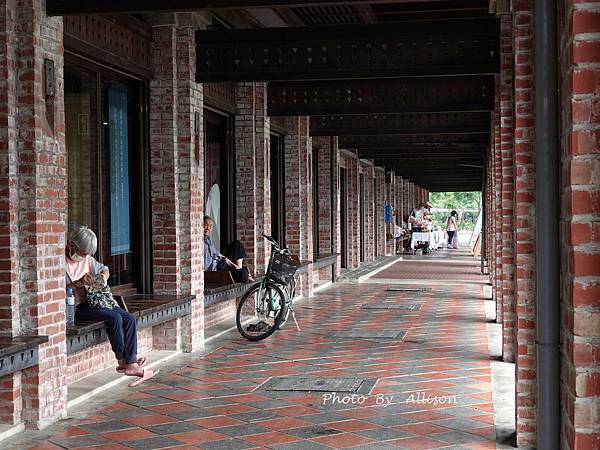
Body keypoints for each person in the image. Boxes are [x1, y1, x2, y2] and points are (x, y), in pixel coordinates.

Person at [65, 224, 157, 387]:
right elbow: (57, 292)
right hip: (76, 307)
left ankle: (131, 361)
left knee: (128, 319)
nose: (84, 257)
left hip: (96, 300)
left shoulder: (88, 259)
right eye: (83, 253)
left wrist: (102, 276)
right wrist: (78, 283)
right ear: (72, 245)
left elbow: (104, 268)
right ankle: (122, 361)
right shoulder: (60, 263)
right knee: (114, 318)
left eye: (87, 254)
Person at [203, 216, 252, 282]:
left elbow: (220, 256)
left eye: (210, 226)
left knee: (237, 244)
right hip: (215, 272)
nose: (208, 228)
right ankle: (241, 274)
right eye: (205, 225)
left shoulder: (208, 241)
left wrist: (236, 268)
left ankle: (239, 271)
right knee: (244, 275)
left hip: (221, 265)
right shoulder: (199, 244)